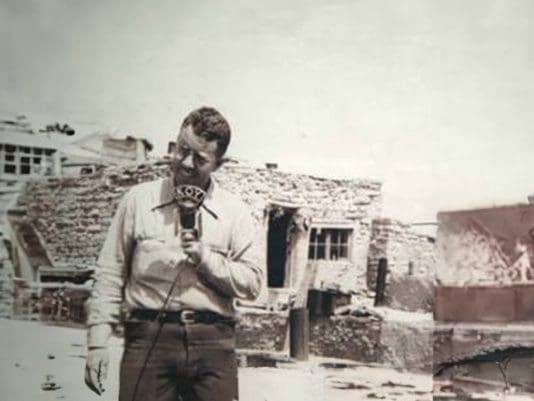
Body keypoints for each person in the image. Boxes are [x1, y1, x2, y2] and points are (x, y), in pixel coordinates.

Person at [85, 107, 263, 401]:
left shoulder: (236, 213)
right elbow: (109, 273)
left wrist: (206, 259)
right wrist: (97, 344)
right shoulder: (137, 201)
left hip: (214, 344)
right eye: (182, 149)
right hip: (147, 340)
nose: (186, 163)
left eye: (201, 159)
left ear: (219, 164)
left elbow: (253, 284)